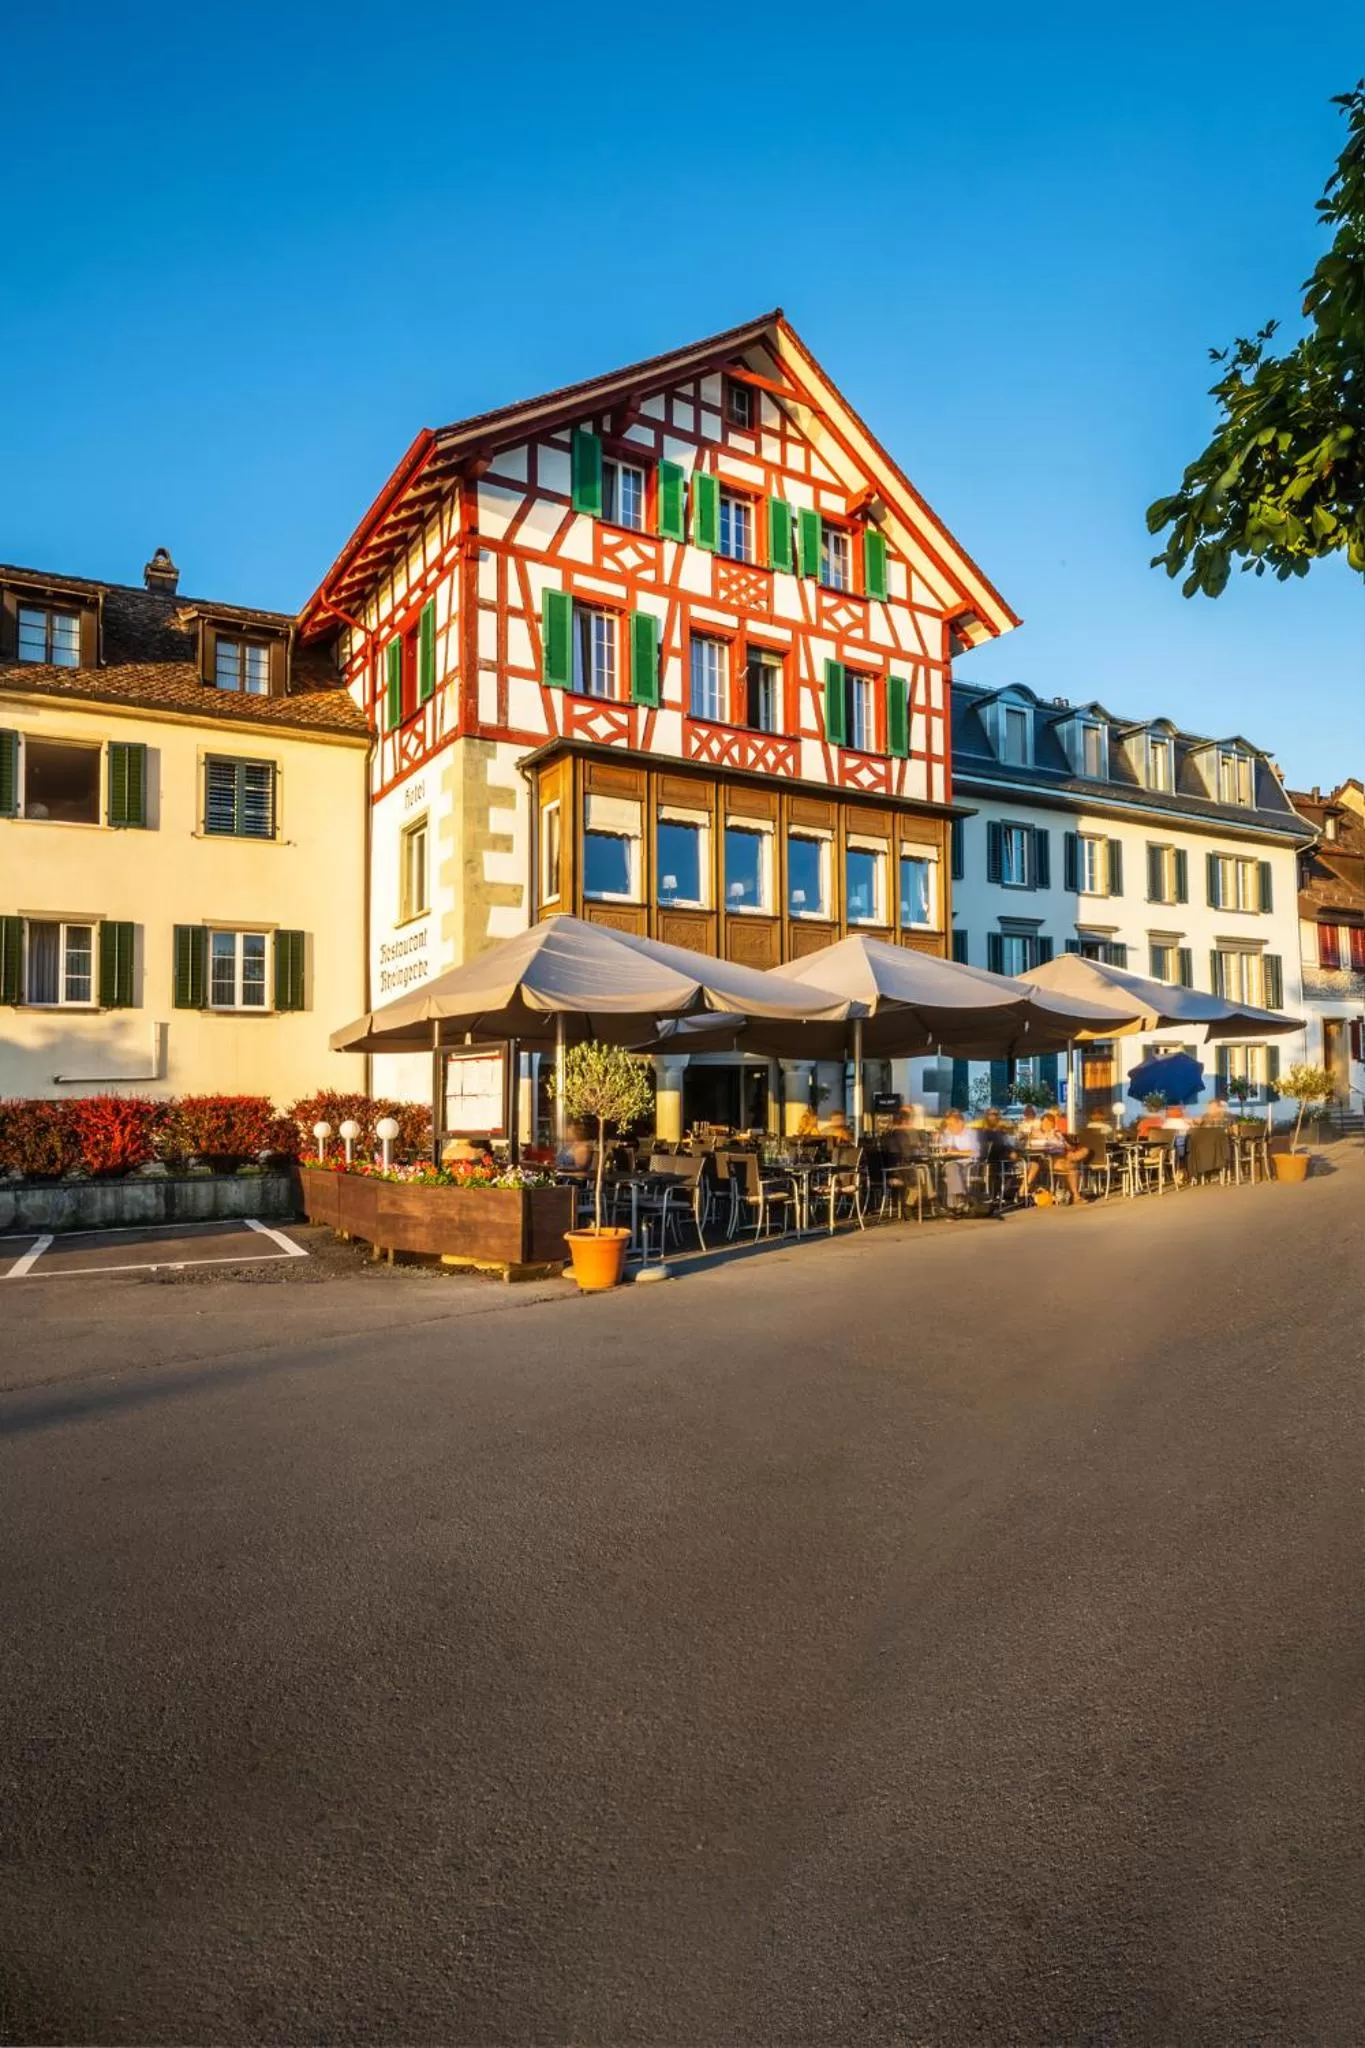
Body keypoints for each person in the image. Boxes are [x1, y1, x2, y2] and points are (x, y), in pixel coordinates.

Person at [938, 1109, 981, 1212]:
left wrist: (955, 1153)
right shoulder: (947, 1133)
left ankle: (953, 1206)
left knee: (952, 1170)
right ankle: (959, 1199)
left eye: (952, 1125)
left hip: (969, 1164)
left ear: (961, 1123)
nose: (949, 1127)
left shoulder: (971, 1134)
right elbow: (943, 1149)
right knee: (951, 1168)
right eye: (948, 1125)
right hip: (950, 1163)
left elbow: (975, 1153)